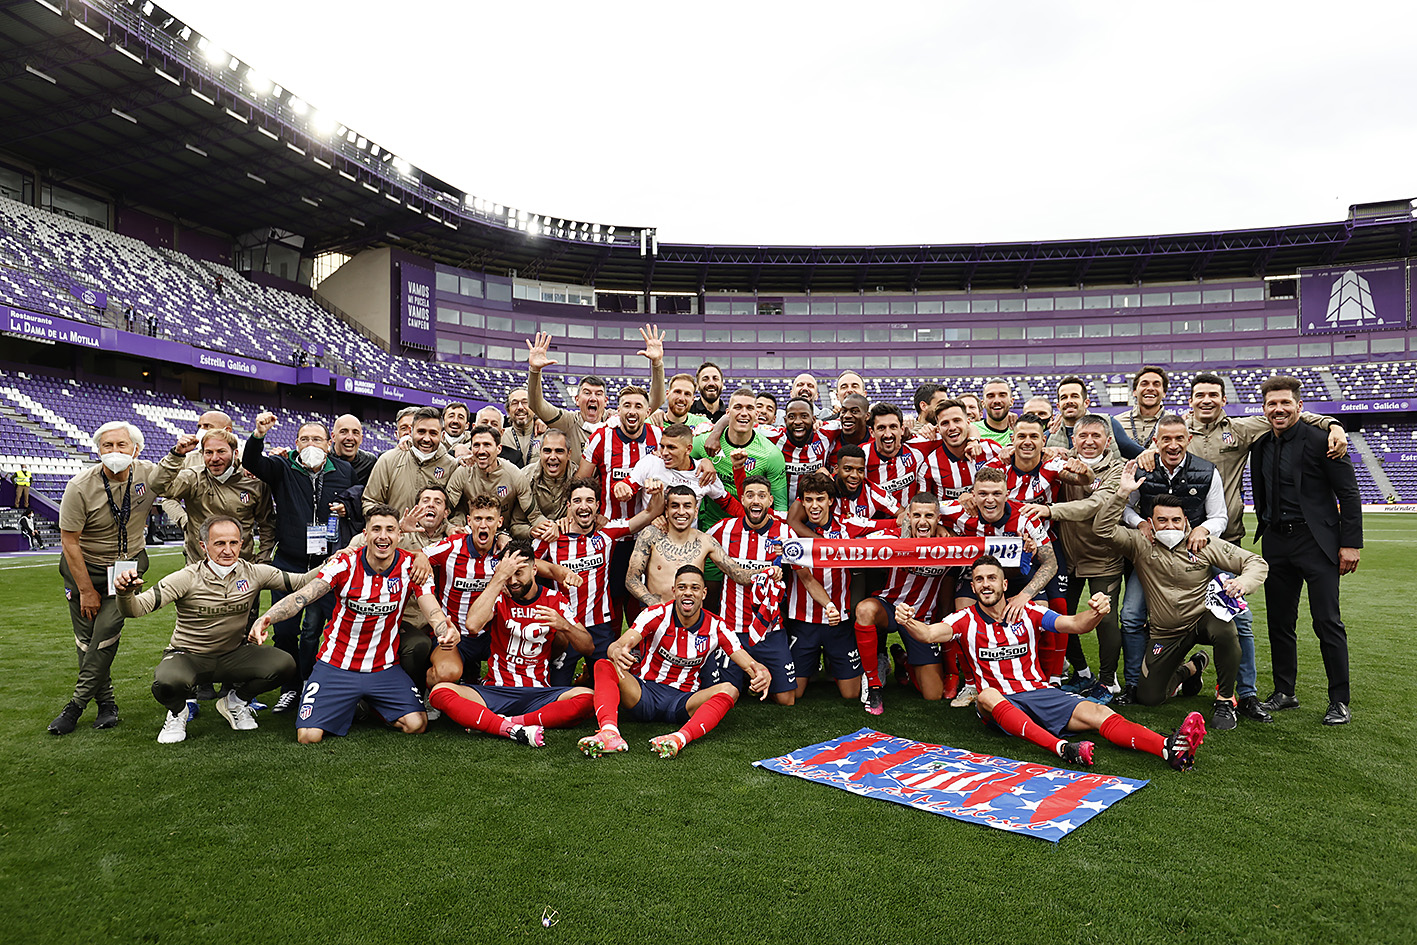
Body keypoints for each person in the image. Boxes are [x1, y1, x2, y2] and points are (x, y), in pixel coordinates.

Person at [893, 556, 1206, 771]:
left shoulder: (1028, 611)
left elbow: (1075, 624)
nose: (985, 584)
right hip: (1000, 704)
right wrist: (908, 621)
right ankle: (1062, 748)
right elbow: (929, 633)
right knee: (985, 694)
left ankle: (1169, 748)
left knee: (1100, 713)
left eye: (992, 578)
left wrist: (1097, 611)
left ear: (1004, 585)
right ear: (973, 588)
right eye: (979, 580)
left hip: (1040, 694)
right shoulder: (964, 619)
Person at [249, 504, 458, 743]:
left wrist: (444, 629)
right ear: (365, 534)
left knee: (416, 724)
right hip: (336, 665)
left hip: (383, 668)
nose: (383, 536)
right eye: (376, 529)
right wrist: (268, 618)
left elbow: (430, 607)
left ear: (399, 535)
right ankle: (349, 701)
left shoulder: (411, 567)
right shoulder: (344, 564)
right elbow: (303, 596)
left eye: (390, 529)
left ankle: (366, 703)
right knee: (308, 736)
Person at [1096, 462, 1268, 731]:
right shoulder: (1141, 543)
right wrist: (1121, 495)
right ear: (1151, 523)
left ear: (1186, 521)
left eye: (1176, 520)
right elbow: (1102, 530)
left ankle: (1225, 700)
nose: (1170, 525)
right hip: (1167, 631)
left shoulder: (1202, 543)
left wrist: (1243, 582)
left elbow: (1256, 562)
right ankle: (1192, 668)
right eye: (1162, 520)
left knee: (1226, 629)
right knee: (1149, 697)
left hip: (1202, 620)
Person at [115, 516, 317, 743]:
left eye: (233, 543)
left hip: (233, 655)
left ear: (242, 543)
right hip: (190, 656)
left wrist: (340, 559)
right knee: (166, 683)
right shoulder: (186, 578)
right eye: (219, 543)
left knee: (285, 664)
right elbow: (136, 609)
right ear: (204, 546)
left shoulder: (254, 573)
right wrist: (124, 593)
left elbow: (302, 582)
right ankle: (177, 712)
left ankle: (236, 702)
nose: (228, 550)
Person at [50, 421, 180, 735]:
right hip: (84, 567)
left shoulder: (149, 474)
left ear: (136, 449)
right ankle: (107, 703)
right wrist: (85, 589)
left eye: (121, 445)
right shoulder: (80, 485)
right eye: (107, 446)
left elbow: (184, 481)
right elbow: (69, 541)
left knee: (106, 631)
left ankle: (75, 706)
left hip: (127, 567)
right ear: (98, 450)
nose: (114, 451)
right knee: (86, 642)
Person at [1251, 375, 1362, 725]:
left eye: (1286, 403)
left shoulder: (1324, 440)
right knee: (1279, 622)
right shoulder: (1261, 445)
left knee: (1327, 621)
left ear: (1300, 406)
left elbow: (1349, 493)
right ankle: (1285, 692)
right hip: (1276, 542)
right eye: (1272, 403)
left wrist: (1350, 544)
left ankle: (1339, 700)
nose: (1279, 409)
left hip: (1318, 543)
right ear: (1265, 408)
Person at [579, 565, 771, 758]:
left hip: (683, 701)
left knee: (729, 689)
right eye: (682, 587)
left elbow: (750, 664)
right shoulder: (656, 614)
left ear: (704, 593)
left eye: (695, 588)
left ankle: (679, 738)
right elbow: (618, 644)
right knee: (604, 665)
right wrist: (617, 651)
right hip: (644, 692)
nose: (688, 593)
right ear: (674, 591)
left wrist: (763, 673)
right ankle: (609, 732)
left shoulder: (717, 627)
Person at [428, 544, 595, 747]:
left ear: (534, 570)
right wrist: (499, 578)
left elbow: (588, 647)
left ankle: (507, 723)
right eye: (509, 574)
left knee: (588, 697)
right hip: (497, 690)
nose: (513, 581)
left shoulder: (554, 600)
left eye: (519, 573)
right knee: (440, 691)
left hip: (538, 693)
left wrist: (564, 626)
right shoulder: (499, 595)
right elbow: (472, 625)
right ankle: (512, 728)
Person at [242, 412, 356, 713]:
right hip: (289, 561)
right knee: (286, 629)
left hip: (328, 564)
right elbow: (252, 463)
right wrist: (258, 435)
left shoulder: (344, 470)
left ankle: (318, 682)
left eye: (317, 438)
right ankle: (290, 687)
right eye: (304, 438)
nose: (310, 443)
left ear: (329, 444)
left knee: (325, 627)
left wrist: (347, 505)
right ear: (295, 443)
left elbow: (358, 497)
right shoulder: (283, 466)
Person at [705, 474, 834, 706]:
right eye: (751, 495)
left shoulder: (786, 534)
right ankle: (749, 676)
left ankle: (759, 673)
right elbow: (693, 543)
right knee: (725, 696)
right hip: (731, 629)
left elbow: (807, 578)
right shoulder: (722, 529)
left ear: (770, 501)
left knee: (787, 700)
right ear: (742, 499)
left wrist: (830, 605)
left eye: (762, 496)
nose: (756, 501)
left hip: (769, 629)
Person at [1022, 414, 1125, 699]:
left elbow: (1094, 504)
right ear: (1073, 439)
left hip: (1103, 557)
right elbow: (1026, 455)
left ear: (1107, 441)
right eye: (1083, 436)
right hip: (1067, 556)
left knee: (1104, 619)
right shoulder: (1060, 461)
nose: (1089, 441)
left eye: (1096, 436)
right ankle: (1081, 673)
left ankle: (1108, 681)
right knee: (1060, 615)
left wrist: (1051, 511)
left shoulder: (1117, 469)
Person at [536, 480, 666, 684]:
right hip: (564, 627)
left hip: (600, 627)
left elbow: (651, 512)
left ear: (597, 505)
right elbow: (525, 562)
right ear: (569, 505)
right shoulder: (552, 536)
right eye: (577, 501)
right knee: (555, 691)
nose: (583, 506)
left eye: (589, 500)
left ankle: (590, 683)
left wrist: (657, 491)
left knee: (614, 685)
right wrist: (556, 571)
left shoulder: (607, 532)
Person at [853, 493, 953, 714]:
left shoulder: (951, 544)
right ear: (908, 517)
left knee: (933, 694)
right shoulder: (892, 537)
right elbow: (853, 542)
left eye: (929, 515)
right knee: (864, 610)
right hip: (889, 607)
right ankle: (873, 685)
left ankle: (903, 660)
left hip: (920, 619)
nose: (923, 521)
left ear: (939, 518)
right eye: (916, 515)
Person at [526, 326, 666, 463]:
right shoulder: (567, 421)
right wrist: (535, 371)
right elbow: (536, 405)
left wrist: (657, 363)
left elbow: (655, 400)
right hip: (580, 484)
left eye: (598, 394)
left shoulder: (616, 420)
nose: (593, 398)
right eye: (587, 393)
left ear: (605, 401)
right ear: (577, 399)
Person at [623, 484, 769, 607]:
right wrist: (654, 605)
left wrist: (768, 571)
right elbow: (631, 579)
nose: (681, 512)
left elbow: (738, 574)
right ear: (666, 511)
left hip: (691, 619)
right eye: (675, 506)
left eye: (687, 506)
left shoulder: (705, 541)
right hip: (657, 616)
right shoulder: (651, 534)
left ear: (695, 511)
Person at [782, 472, 858, 701]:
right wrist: (829, 605)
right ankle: (813, 664)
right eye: (809, 500)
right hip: (804, 621)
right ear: (802, 502)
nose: (815, 506)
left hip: (839, 621)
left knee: (851, 694)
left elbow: (886, 527)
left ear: (831, 500)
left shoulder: (848, 527)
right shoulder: (790, 533)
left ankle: (832, 665)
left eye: (820, 499)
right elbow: (806, 579)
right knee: (793, 694)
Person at [693, 387, 789, 530]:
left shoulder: (771, 454)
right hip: (710, 526)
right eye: (737, 407)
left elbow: (780, 505)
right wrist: (702, 461)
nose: (744, 413)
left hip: (750, 529)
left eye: (749, 408)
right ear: (727, 413)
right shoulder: (703, 443)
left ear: (756, 415)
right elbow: (680, 465)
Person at [363, 407, 468, 519]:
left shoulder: (451, 466)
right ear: (411, 432)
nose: (426, 439)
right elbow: (370, 502)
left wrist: (448, 528)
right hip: (396, 535)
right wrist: (391, 527)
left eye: (433, 433)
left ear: (442, 436)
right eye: (421, 432)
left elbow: (457, 511)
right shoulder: (388, 460)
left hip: (434, 537)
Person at [908, 398, 1002, 502]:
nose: (952, 427)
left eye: (957, 420)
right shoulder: (929, 465)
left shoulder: (993, 450)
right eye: (945, 423)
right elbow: (923, 504)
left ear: (968, 422)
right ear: (938, 429)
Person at [461, 423, 544, 537]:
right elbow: (446, 509)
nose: (481, 451)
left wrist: (548, 528)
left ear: (498, 448)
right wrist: (452, 529)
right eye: (476, 445)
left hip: (505, 534)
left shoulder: (514, 474)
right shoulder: (463, 472)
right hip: (471, 534)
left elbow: (534, 515)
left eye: (487, 445)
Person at [1046, 376, 1143, 459]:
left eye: (1074, 396)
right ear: (1058, 406)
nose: (1069, 401)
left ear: (1086, 403)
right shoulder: (1049, 436)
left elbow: (1137, 453)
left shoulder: (1108, 423)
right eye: (1064, 397)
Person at [514, 428, 575, 539]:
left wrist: (564, 525)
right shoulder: (524, 478)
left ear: (569, 454)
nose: (552, 457)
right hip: (534, 544)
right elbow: (515, 526)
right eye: (547, 451)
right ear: (540, 452)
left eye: (559, 451)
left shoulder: (579, 478)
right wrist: (531, 531)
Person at [862, 402, 923, 507]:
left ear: (902, 429)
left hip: (908, 520)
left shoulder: (918, 447)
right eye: (881, 428)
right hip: (876, 520)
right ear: (872, 432)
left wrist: (931, 428)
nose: (888, 434)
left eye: (893, 427)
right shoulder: (861, 455)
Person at [1116, 366, 1169, 450]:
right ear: (1134, 392)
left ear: (1164, 393)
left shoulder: (1175, 423)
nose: (1150, 388)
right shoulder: (1117, 423)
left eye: (1156, 384)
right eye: (1144, 384)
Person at [331, 413, 378, 486]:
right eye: (343, 432)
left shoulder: (369, 462)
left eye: (355, 433)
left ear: (361, 438)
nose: (350, 437)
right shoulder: (324, 461)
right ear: (333, 436)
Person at [500, 387, 541, 468]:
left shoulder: (547, 435)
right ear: (508, 410)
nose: (520, 407)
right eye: (514, 403)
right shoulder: (500, 437)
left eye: (525, 402)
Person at [974, 378, 1014, 445]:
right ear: (983, 403)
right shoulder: (971, 430)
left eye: (1002, 395)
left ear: (1011, 401)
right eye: (990, 396)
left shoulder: (1021, 432)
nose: (997, 400)